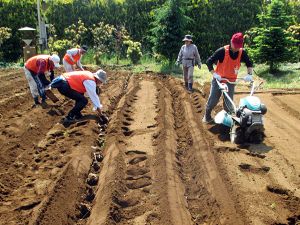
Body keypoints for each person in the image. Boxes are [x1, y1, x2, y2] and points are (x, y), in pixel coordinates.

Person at [202, 32, 253, 122]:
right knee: (213, 101)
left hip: (231, 81)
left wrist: (249, 74)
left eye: (238, 46)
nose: (236, 48)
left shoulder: (242, 52)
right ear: (231, 42)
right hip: (219, 80)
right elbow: (209, 61)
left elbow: (249, 63)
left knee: (229, 105)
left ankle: (226, 123)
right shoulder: (222, 51)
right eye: (235, 45)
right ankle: (207, 115)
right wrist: (214, 74)